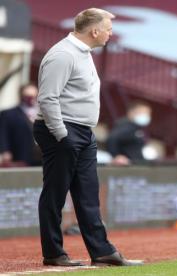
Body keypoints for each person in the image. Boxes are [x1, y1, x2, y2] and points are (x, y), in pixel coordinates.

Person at [32, 8, 141, 266]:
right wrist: (62, 134)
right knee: (55, 194)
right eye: (108, 29)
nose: (110, 34)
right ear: (94, 31)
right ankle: (54, 253)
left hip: (81, 130)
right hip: (61, 129)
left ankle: (102, 251)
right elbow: (48, 98)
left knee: (88, 194)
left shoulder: (82, 52)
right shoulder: (62, 54)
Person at [0, 83, 41, 166]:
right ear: (21, 96)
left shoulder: (43, 112)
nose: (31, 99)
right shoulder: (9, 114)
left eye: (33, 96)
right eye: (28, 96)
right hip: (21, 154)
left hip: (41, 155)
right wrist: (4, 151)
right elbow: (3, 133)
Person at [106, 100, 156, 165]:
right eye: (143, 112)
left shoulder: (137, 128)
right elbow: (112, 139)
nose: (146, 116)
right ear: (131, 112)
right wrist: (116, 156)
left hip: (136, 165)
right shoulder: (125, 126)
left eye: (148, 113)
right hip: (126, 168)